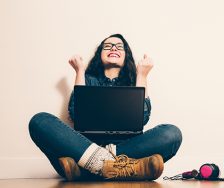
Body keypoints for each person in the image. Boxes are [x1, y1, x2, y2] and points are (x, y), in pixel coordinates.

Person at [28, 34, 182, 181]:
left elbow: (142, 118)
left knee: (172, 134)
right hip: (85, 145)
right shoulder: (88, 79)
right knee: (39, 121)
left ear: (125, 55)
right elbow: (77, 114)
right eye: (107, 46)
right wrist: (80, 71)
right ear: (100, 54)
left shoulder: (133, 81)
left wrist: (142, 75)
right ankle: (124, 169)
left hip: (127, 147)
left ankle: (87, 171)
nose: (113, 48)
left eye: (119, 47)